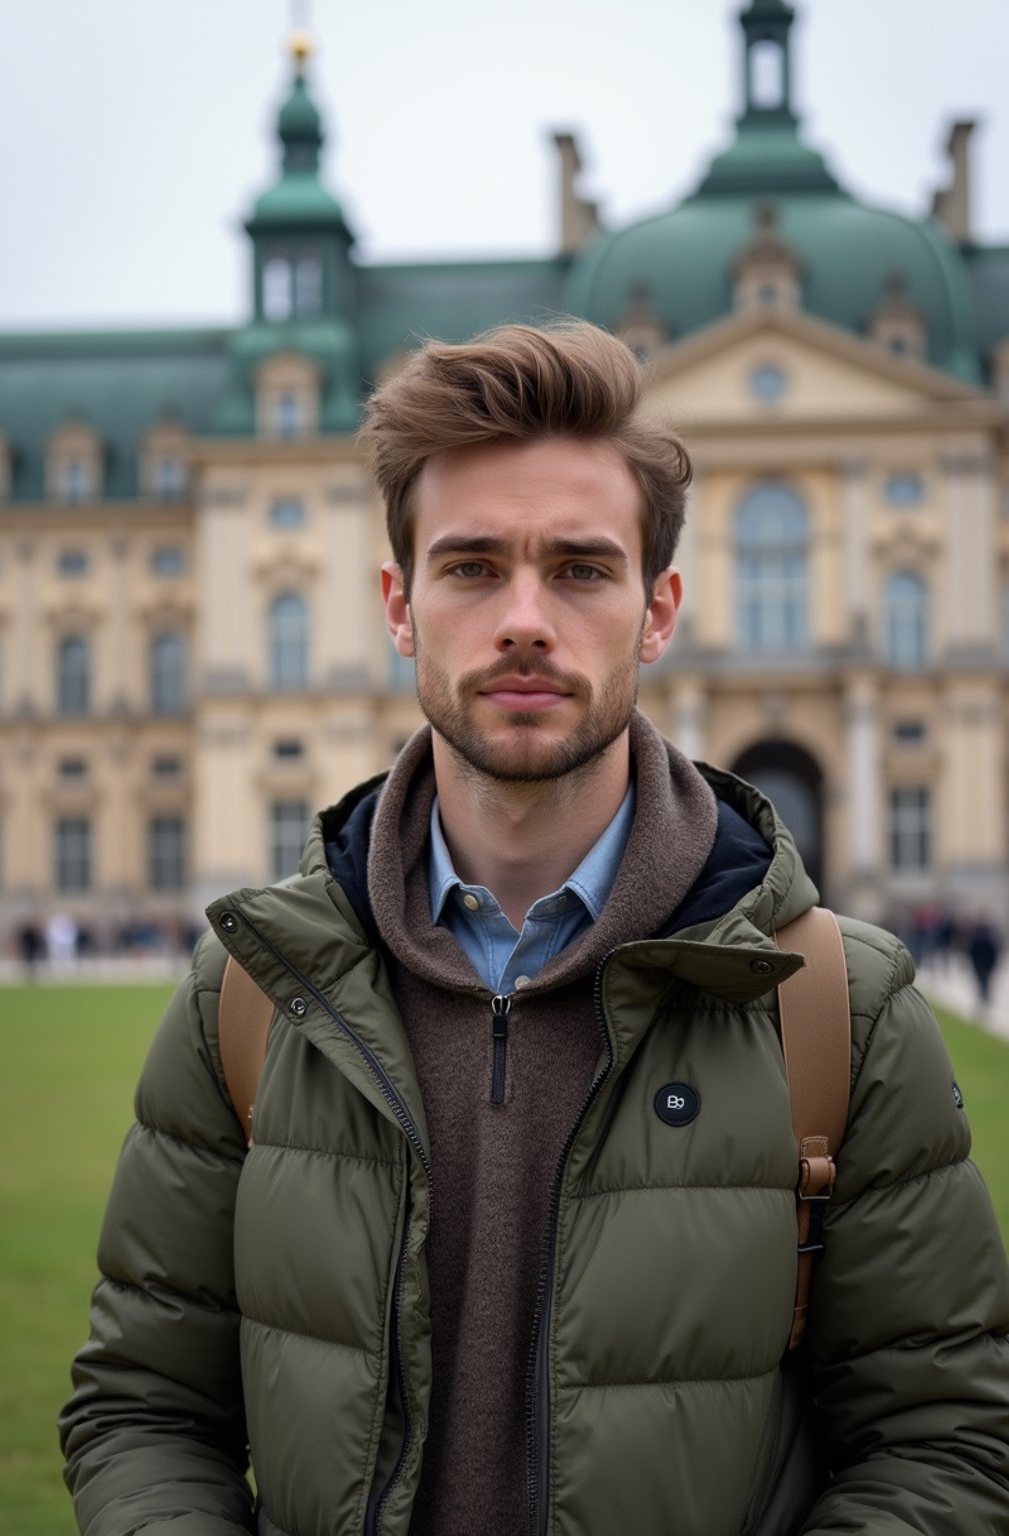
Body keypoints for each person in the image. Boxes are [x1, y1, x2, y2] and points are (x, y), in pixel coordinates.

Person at [60, 321, 1009, 1536]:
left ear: (656, 610)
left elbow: (943, 1440)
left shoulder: (837, 1009)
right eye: (470, 568)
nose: (523, 619)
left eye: (579, 568)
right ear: (398, 607)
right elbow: (144, 1410)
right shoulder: (243, 998)